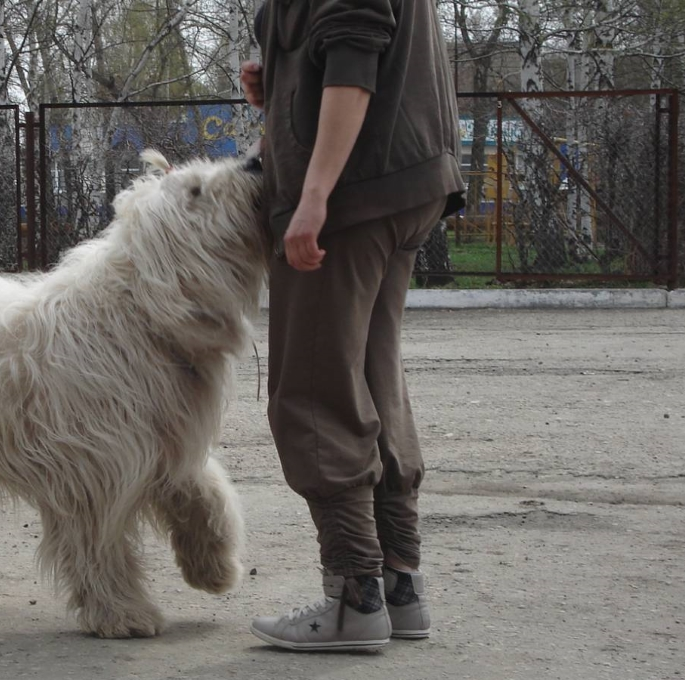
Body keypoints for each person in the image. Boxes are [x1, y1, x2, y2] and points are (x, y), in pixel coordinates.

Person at [241, 0, 465, 652]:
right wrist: (281, 92)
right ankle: (399, 588)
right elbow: (344, 61)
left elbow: (352, 71)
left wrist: (312, 198)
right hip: (398, 184)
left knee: (313, 392)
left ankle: (353, 597)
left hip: (351, 197)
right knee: (370, 375)